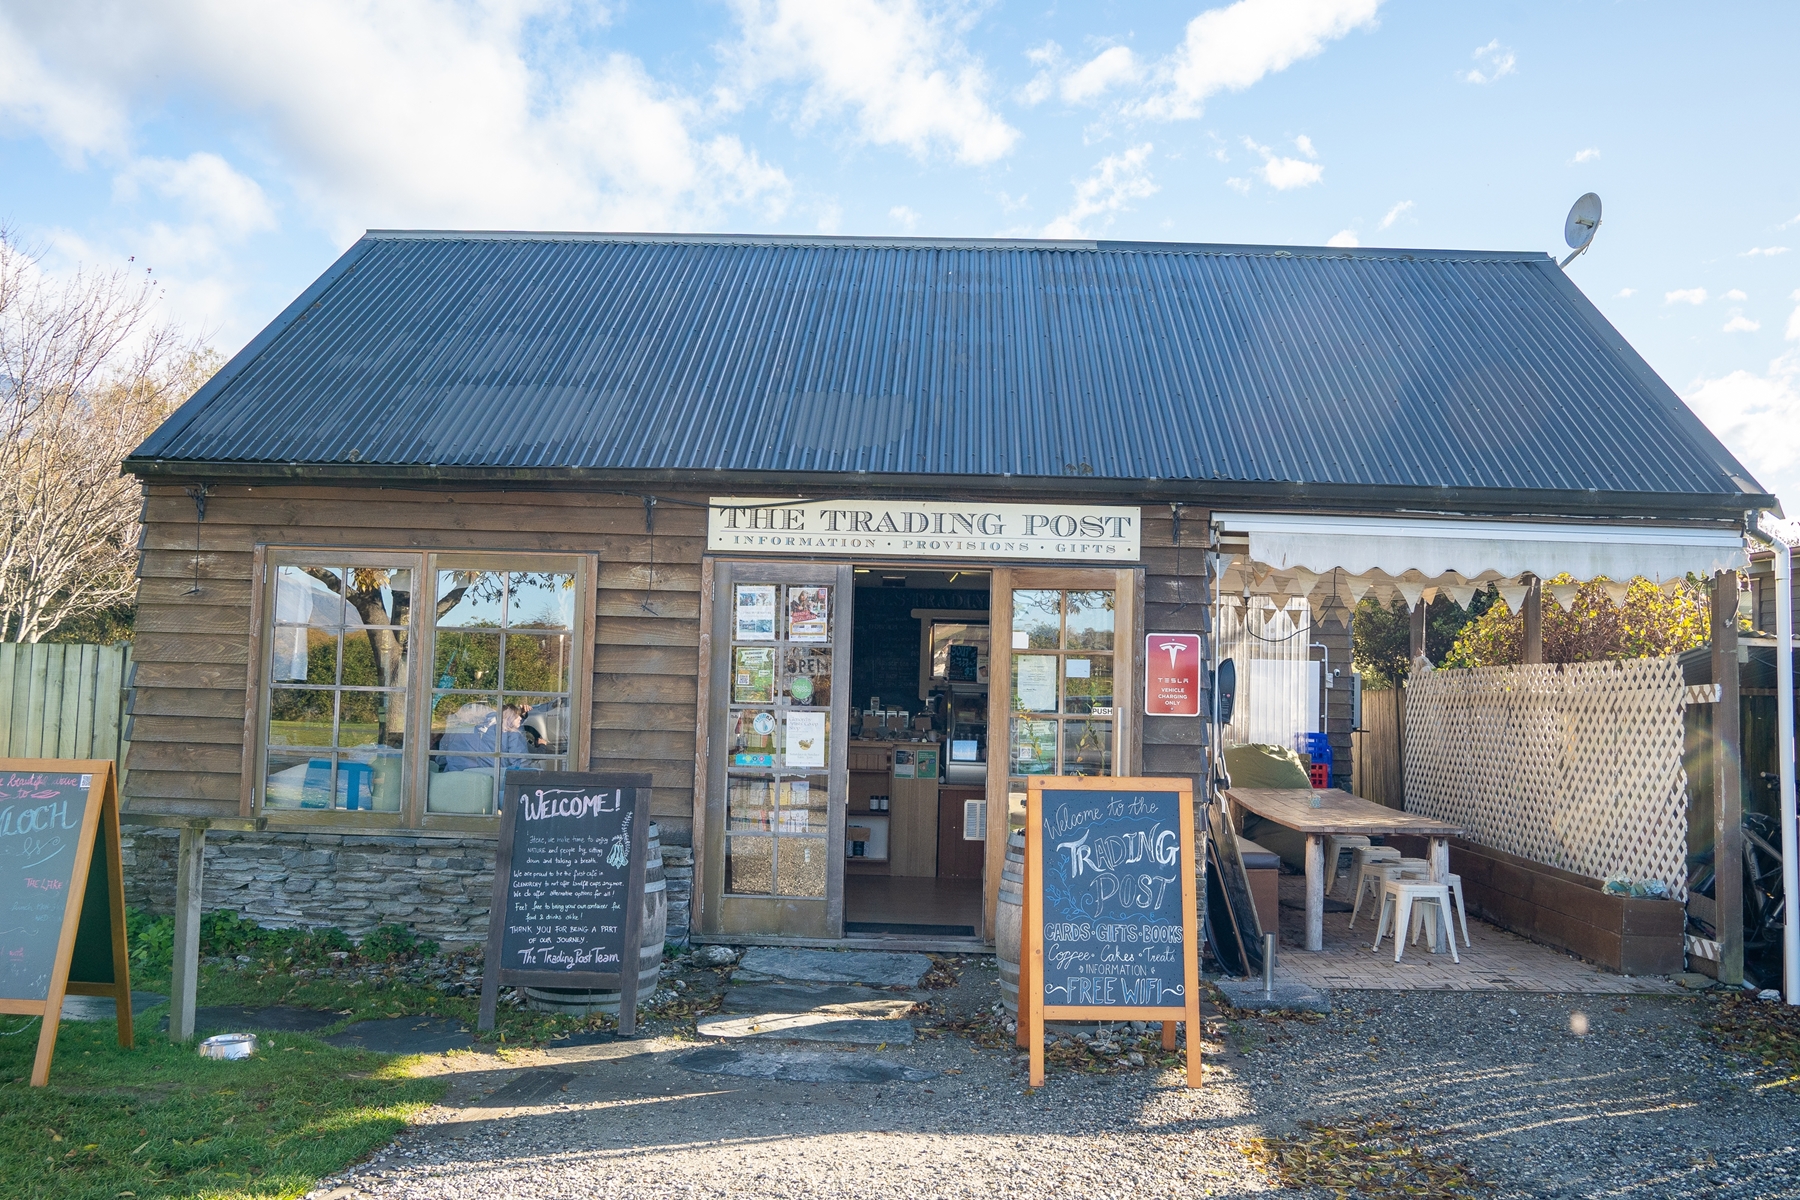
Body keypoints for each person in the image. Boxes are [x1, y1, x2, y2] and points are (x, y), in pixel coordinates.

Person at [438, 703, 535, 772]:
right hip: (495, 781)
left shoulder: (460, 730)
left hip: (458, 780)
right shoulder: (510, 732)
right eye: (517, 715)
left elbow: (441, 758)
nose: (520, 718)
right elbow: (521, 765)